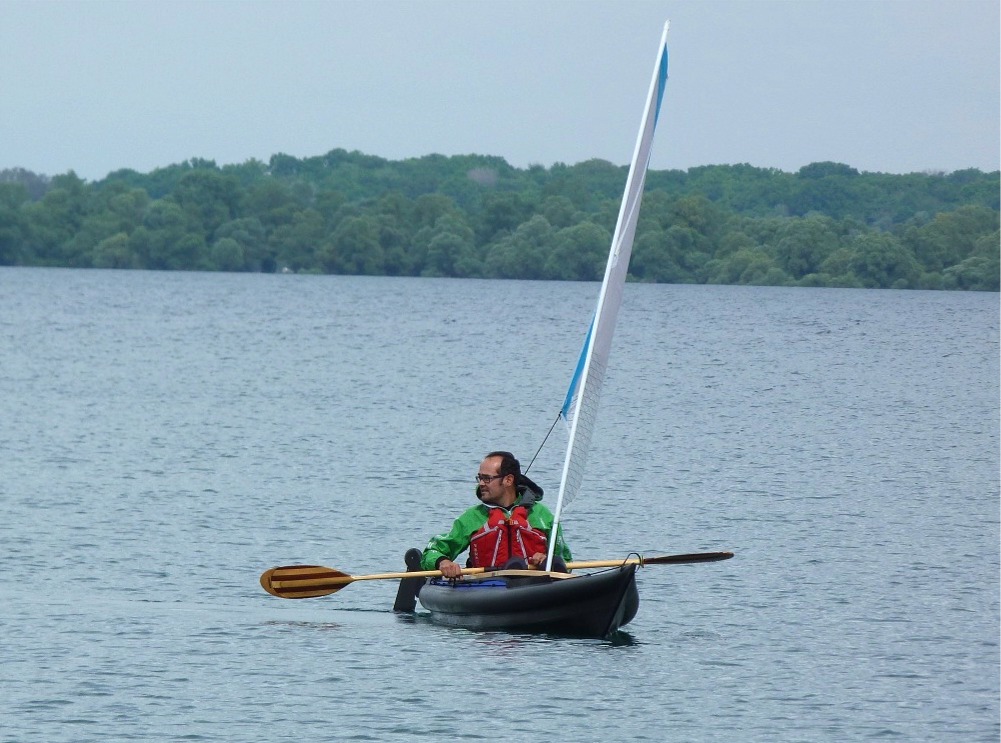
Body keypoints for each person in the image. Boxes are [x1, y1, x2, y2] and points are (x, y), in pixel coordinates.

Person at [421, 451, 572, 578]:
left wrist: (547, 559)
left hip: (536, 586)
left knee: (552, 563)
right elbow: (432, 551)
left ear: (508, 480)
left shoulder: (542, 515)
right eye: (480, 478)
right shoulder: (472, 517)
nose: (481, 483)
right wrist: (443, 562)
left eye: (487, 478)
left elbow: (566, 561)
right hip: (488, 589)